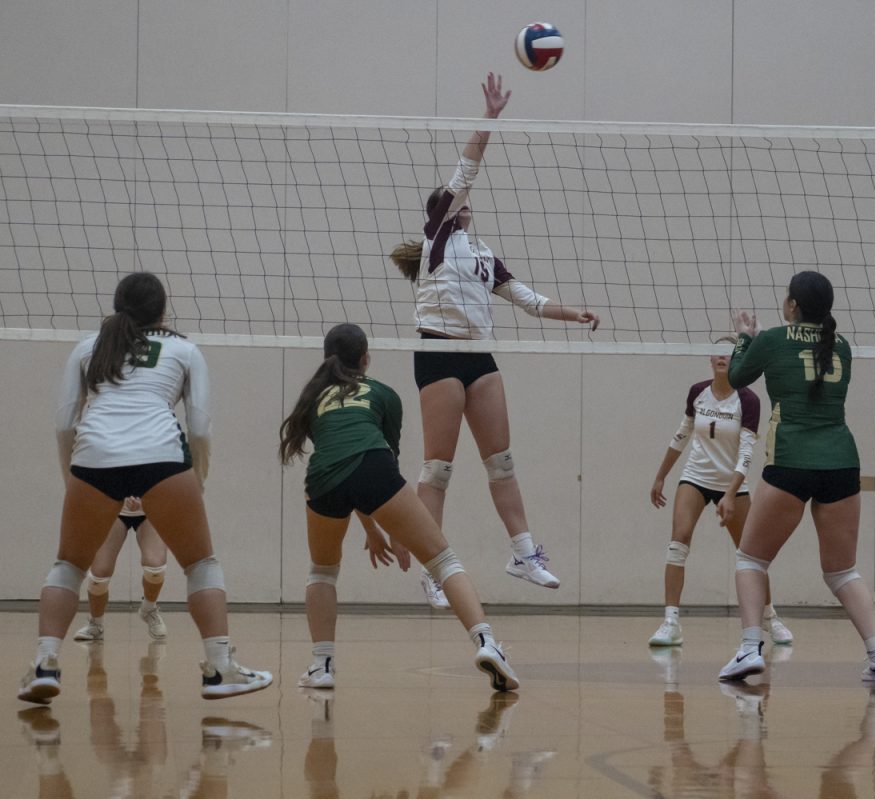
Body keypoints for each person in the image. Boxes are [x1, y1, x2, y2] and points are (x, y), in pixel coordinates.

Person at [389, 73, 600, 596]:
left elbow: (525, 299)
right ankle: (432, 571)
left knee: (501, 462)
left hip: (479, 357)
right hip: (437, 353)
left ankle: (524, 555)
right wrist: (489, 118)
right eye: (455, 199)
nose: (464, 200)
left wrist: (572, 313)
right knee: (437, 469)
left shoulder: (482, 254)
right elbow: (467, 169)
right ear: (441, 211)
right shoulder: (436, 239)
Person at [22, 271, 272, 705]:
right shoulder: (183, 349)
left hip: (93, 457)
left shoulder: (87, 348)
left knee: (68, 566)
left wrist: (72, 479)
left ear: (117, 307)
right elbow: (200, 426)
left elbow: (64, 422)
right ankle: (220, 668)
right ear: (163, 309)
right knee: (201, 564)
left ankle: (45, 663)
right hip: (161, 457)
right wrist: (198, 480)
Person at [279, 322, 519, 692]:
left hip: (322, 480)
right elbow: (374, 467)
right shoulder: (384, 394)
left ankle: (321, 665)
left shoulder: (313, 398)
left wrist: (375, 529)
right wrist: (390, 528)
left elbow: (343, 463)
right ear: (366, 360)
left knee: (322, 572)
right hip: (374, 469)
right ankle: (487, 645)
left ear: (327, 359)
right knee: (443, 560)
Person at [717, 271, 875, 683]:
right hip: (841, 463)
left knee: (750, 560)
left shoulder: (771, 340)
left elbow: (739, 376)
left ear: (792, 305)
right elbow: (802, 360)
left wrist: (746, 337)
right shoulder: (843, 347)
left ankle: (749, 649)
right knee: (841, 571)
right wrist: (768, 340)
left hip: (791, 460)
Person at [647, 343, 793, 647]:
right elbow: (682, 434)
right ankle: (671, 622)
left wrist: (730, 493)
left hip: (733, 484)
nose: (722, 357)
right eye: (717, 352)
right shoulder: (697, 392)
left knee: (751, 553)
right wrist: (661, 475)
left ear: (737, 360)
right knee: (679, 540)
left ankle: (770, 616)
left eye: (729, 353)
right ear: (709, 357)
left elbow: (746, 452)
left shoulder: (748, 400)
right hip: (695, 477)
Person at [72, 496, 169, 642]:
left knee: (155, 567)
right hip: (112, 508)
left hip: (151, 509)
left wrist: (148, 500)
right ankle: (96, 624)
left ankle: (148, 609)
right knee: (99, 576)